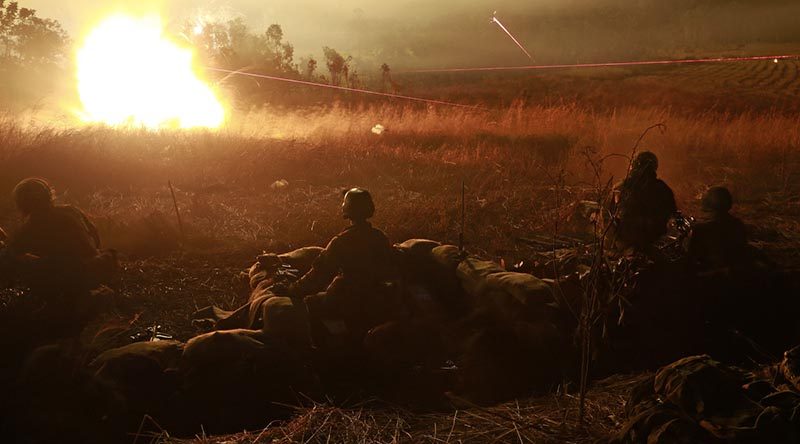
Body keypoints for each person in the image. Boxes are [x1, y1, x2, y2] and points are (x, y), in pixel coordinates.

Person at [287, 188, 400, 347]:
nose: (342, 205)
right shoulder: (380, 237)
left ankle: (318, 350)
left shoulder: (340, 242)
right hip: (376, 297)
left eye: (345, 202)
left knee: (308, 304)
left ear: (349, 209)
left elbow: (318, 277)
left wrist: (291, 289)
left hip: (347, 298)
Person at [611, 151, 678, 253]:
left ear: (635, 165)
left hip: (625, 244)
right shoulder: (663, 189)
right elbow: (672, 215)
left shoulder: (622, 187)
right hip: (655, 244)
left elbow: (609, 215)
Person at [687, 186, 749, 273]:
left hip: (711, 279)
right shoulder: (738, 224)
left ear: (707, 203)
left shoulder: (701, 229)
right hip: (734, 276)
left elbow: (691, 260)